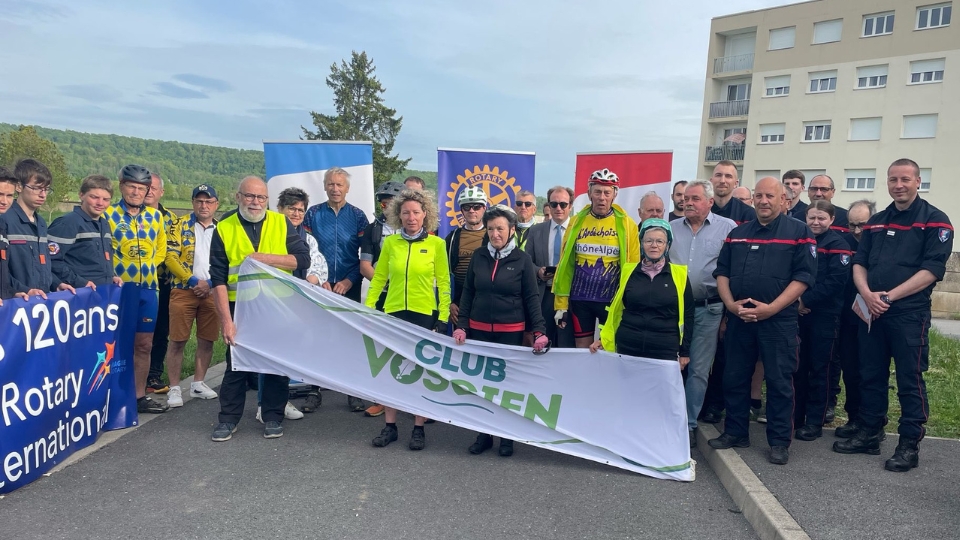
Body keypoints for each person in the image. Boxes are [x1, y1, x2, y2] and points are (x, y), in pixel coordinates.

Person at [834, 159, 953, 472]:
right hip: (872, 311)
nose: (898, 185)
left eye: (904, 179)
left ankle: (909, 444)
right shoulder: (877, 221)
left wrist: (889, 296)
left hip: (908, 314)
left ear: (918, 182)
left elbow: (932, 270)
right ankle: (869, 434)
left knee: (909, 381)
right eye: (892, 180)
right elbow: (860, 262)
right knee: (870, 375)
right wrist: (867, 294)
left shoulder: (935, 221)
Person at [708, 177, 817, 466]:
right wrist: (731, 305)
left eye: (771, 195)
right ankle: (735, 431)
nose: (764, 201)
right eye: (759, 195)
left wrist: (772, 309)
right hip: (740, 319)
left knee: (780, 382)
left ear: (784, 199)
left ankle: (779, 441)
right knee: (734, 377)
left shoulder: (800, 232)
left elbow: (803, 278)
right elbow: (722, 272)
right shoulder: (738, 233)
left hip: (778, 321)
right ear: (753, 199)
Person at [210, 176, 311, 442]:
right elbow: (218, 279)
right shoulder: (224, 227)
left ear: (268, 200)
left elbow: (302, 259)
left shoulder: (280, 222)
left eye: (261, 198)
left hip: (275, 305)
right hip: (240, 307)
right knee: (236, 366)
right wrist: (226, 321)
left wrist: (262, 258)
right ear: (238, 197)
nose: (255, 202)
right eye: (250, 196)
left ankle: (273, 416)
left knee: (275, 364)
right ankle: (228, 420)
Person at [454, 205, 548, 457]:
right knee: (482, 386)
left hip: (511, 333)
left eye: (500, 229)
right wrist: (462, 324)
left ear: (511, 231)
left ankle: (507, 438)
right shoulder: (478, 256)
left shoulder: (522, 260)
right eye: (491, 228)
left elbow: (531, 297)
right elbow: (468, 294)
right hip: (479, 331)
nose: (495, 234)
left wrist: (538, 330)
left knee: (506, 387)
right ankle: (484, 434)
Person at [365, 189, 450, 451]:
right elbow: (379, 279)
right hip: (393, 313)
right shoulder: (391, 244)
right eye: (405, 213)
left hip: (423, 314)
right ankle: (390, 426)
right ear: (398, 215)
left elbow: (445, 283)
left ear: (426, 214)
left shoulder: (436, 244)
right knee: (390, 371)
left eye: (416, 212)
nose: (411, 217)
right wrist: (367, 310)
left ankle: (418, 427)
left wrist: (444, 316)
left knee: (419, 372)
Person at [669, 180, 736, 447]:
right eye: (686, 198)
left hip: (708, 309)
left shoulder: (727, 228)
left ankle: (688, 425)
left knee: (697, 368)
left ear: (710, 202)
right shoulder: (670, 228)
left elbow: (733, 271)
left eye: (695, 198)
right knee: (669, 366)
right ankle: (666, 418)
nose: (688, 202)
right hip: (673, 311)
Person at [590, 219, 693, 386]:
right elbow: (616, 309)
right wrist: (604, 339)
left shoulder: (679, 275)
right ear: (641, 244)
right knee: (627, 392)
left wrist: (685, 351)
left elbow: (688, 315)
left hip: (664, 348)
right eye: (649, 241)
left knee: (660, 397)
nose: (654, 245)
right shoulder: (628, 271)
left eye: (660, 241)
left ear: (667, 246)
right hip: (629, 345)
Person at [303, 167, 369, 412]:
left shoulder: (358, 216)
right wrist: (319, 279)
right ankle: (313, 389)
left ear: (348, 188)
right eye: (331, 184)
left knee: (349, 338)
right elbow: (306, 251)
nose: (335, 188)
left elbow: (364, 256)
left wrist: (350, 280)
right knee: (316, 337)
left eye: (340, 185)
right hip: (318, 286)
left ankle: (352, 390)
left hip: (348, 286)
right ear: (324, 186)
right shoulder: (313, 214)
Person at [105, 164, 169, 413]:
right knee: (115, 344)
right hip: (120, 289)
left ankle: (139, 396)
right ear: (122, 186)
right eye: (131, 186)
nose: (136, 192)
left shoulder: (155, 217)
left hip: (148, 289)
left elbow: (161, 249)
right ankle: (111, 395)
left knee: (144, 344)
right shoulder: (108, 214)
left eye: (142, 188)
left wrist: (149, 267)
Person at [553, 168, 640, 349]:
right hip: (580, 299)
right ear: (589, 193)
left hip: (611, 300)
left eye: (607, 192)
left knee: (609, 348)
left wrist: (630, 303)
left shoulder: (627, 224)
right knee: (582, 351)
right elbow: (565, 265)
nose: (602, 197)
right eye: (597, 192)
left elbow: (633, 266)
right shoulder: (576, 222)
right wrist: (561, 304)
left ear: (614, 195)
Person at [793, 201, 851, 441]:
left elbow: (836, 282)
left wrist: (806, 301)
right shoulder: (801, 241)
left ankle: (815, 421)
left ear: (832, 219)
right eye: (812, 218)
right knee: (798, 367)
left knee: (820, 369)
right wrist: (796, 301)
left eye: (821, 218)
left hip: (824, 316)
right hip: (797, 313)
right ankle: (796, 416)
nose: (816, 223)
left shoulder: (839, 245)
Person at [163, 184, 222, 408]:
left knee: (207, 340)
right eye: (199, 201)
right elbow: (170, 256)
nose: (203, 205)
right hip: (183, 289)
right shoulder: (179, 225)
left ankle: (198, 383)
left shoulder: (222, 228)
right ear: (193, 203)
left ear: (216, 204)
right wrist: (192, 280)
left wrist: (209, 283)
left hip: (213, 290)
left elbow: (228, 259)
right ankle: (175, 388)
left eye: (208, 201)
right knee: (178, 340)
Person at [274, 187, 329, 417]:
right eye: (291, 209)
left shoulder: (308, 238)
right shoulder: (271, 233)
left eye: (300, 210)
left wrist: (313, 279)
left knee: (296, 350)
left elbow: (319, 265)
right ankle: (268, 405)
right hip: (275, 301)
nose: (296, 214)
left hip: (301, 301)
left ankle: (284, 400)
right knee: (276, 354)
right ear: (280, 209)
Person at [358, 181, 405, 418]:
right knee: (382, 348)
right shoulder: (372, 229)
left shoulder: (416, 228)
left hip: (409, 298)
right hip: (383, 295)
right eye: (383, 201)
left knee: (409, 348)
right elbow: (365, 265)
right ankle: (382, 399)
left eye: (391, 202)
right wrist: (385, 284)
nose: (386, 206)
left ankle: (414, 400)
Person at [831, 200, 876, 437]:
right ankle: (853, 418)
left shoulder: (881, 244)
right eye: (852, 225)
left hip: (876, 317)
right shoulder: (844, 243)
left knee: (870, 372)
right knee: (849, 369)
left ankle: (872, 420)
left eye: (862, 225)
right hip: (848, 317)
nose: (857, 231)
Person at [0, 158, 76, 298]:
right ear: (19, 187)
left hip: (40, 302)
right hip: (14, 302)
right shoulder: (5, 219)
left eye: (46, 189)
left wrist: (56, 283)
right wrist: (21, 290)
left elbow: (42, 267)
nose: (43, 194)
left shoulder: (41, 222)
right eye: (36, 188)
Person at [49, 175, 123, 290]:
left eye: (106, 199)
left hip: (102, 293)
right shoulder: (68, 223)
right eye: (94, 197)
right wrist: (78, 282)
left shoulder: (104, 224)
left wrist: (111, 276)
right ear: (81, 195)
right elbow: (51, 260)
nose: (100, 203)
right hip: (78, 294)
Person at [524, 186, 575, 349]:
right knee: (543, 342)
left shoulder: (579, 231)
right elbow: (526, 262)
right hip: (543, 295)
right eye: (554, 204)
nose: (558, 208)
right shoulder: (535, 230)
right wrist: (538, 271)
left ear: (570, 206)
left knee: (567, 345)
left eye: (563, 204)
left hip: (570, 297)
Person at [146, 173, 178, 395]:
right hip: (135, 282)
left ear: (161, 192)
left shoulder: (171, 219)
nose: (148, 191)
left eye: (153, 188)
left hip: (164, 283)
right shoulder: (126, 216)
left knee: (161, 331)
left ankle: (153, 375)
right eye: (145, 187)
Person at [445, 186, 488, 329]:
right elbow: (444, 275)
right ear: (461, 210)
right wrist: (450, 303)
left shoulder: (493, 236)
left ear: (484, 208)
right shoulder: (452, 238)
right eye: (467, 207)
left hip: (486, 301)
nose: (472, 210)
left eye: (477, 206)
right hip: (459, 302)